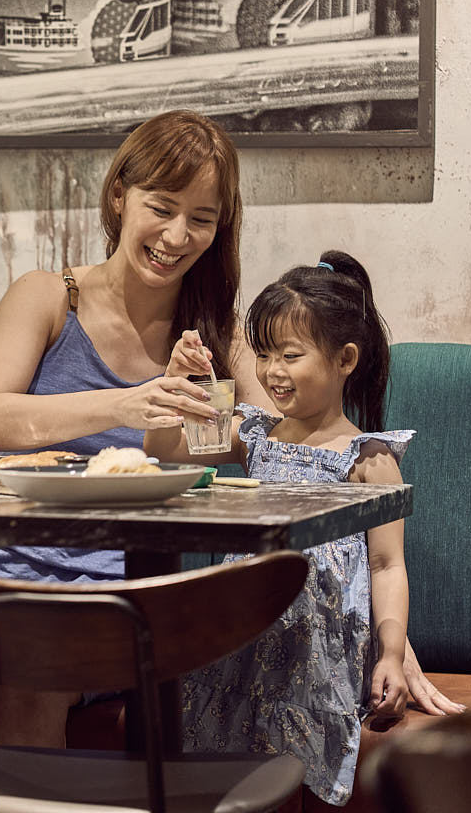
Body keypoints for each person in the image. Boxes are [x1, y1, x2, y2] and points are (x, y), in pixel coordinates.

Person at [0, 111, 462, 813]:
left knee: (32, 684)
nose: (177, 236)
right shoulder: (47, 296)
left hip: (121, 566)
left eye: (202, 219)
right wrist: (123, 406)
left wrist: (380, 628)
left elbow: (291, 450)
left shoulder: (221, 333)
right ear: (119, 195)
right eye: (162, 208)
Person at [145, 251, 412, 807]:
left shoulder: (369, 459)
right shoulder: (254, 433)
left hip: (319, 642)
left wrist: (390, 654)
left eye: (290, 355)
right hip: (240, 622)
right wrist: (175, 385)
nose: (271, 371)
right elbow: (165, 452)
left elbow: (388, 565)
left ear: (345, 359)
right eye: (264, 355)